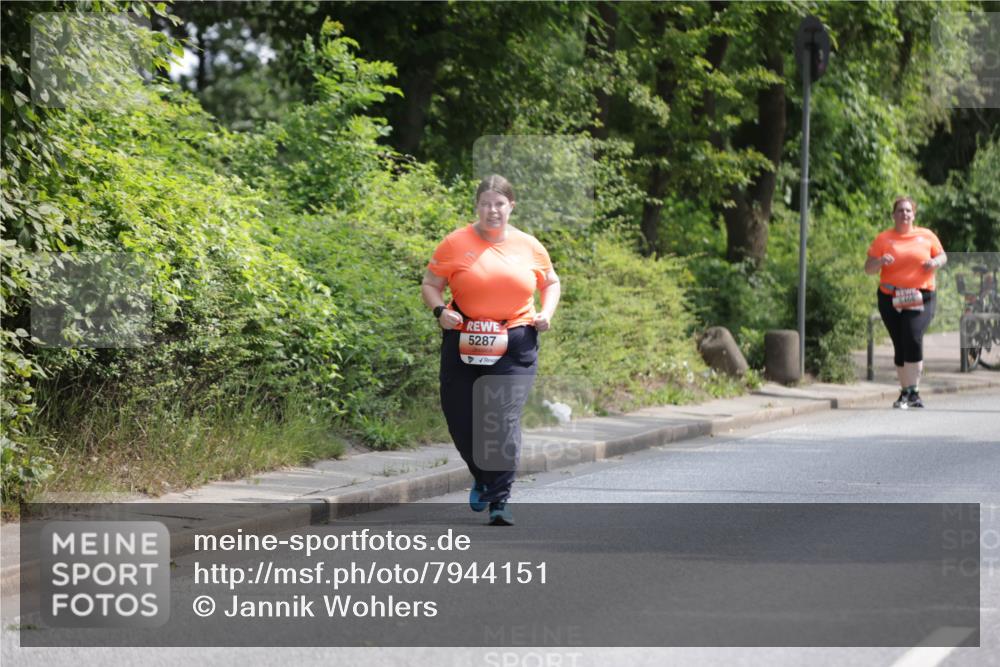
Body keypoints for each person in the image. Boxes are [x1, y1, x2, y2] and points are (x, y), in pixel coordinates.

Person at [421, 175, 561, 525]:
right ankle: (483, 476)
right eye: (486, 203)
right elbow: (430, 284)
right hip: (463, 335)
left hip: (515, 337)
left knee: (500, 418)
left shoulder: (530, 246)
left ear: (511, 206)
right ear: (477, 206)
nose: (492, 210)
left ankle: (499, 497)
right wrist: (441, 312)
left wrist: (546, 312)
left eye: (499, 204)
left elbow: (551, 281)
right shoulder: (455, 243)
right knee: (460, 417)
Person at [865, 196, 946, 409]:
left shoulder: (926, 235)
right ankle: (905, 392)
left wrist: (934, 262)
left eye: (908, 210)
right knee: (900, 342)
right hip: (890, 297)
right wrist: (880, 261)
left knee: (913, 335)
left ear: (914, 215)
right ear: (893, 215)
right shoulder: (884, 239)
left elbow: (942, 256)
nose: (904, 214)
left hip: (922, 295)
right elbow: (868, 268)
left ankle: (915, 392)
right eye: (900, 211)